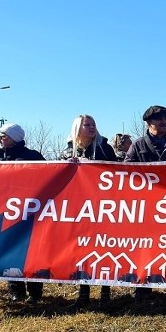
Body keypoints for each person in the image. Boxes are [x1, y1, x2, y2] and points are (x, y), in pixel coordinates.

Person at [126, 106, 166, 301]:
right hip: (147, 207)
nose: (163, 121)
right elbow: (125, 171)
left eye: (165, 118)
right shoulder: (137, 146)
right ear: (149, 123)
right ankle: (144, 286)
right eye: (158, 119)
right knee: (146, 246)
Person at [60, 114, 117, 309]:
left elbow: (117, 172)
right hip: (81, 209)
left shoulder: (104, 148)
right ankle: (83, 294)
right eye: (87, 124)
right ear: (77, 128)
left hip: (103, 207)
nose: (91, 127)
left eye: (93, 124)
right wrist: (69, 164)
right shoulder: (67, 151)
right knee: (83, 251)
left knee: (103, 249)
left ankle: (105, 293)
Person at [0, 123, 45, 304]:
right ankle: (16, 290)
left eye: (4, 136)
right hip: (9, 211)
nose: (1, 139)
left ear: (14, 138)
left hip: (31, 210)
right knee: (11, 251)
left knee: (32, 251)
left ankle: (35, 290)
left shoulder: (33, 157)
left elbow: (49, 177)